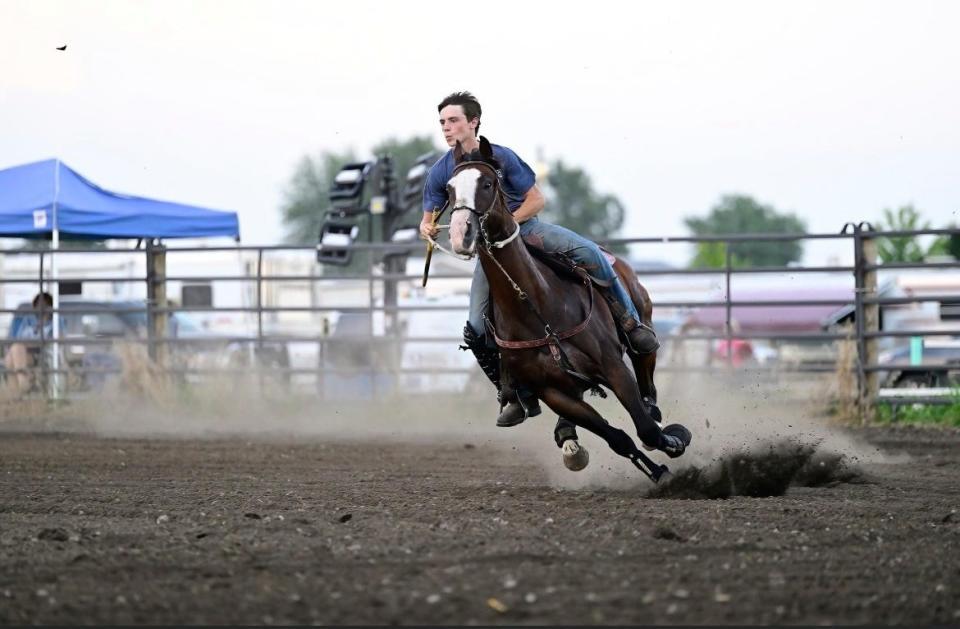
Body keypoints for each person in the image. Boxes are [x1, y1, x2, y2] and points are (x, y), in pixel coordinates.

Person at [420, 91, 658, 427]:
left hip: (529, 231)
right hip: (491, 255)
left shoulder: (503, 157)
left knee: (591, 254)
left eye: (453, 120)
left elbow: (536, 199)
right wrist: (427, 227)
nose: (446, 127)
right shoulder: (441, 171)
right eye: (442, 122)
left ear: (473, 122)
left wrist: (508, 226)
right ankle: (513, 392)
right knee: (475, 327)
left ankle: (631, 324)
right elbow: (428, 216)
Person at [4, 291, 55, 395]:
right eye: (38, 305)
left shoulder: (55, 321)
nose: (41, 308)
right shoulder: (28, 320)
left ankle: (18, 391)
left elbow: (57, 340)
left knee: (10, 359)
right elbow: (18, 339)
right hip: (25, 353)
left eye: (45, 305)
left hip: (42, 353)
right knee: (14, 352)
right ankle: (22, 386)